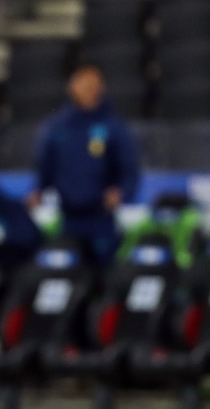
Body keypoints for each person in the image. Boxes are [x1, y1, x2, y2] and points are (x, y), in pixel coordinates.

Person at [28, 63, 140, 267]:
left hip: (101, 217)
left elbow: (129, 169)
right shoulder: (57, 127)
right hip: (69, 216)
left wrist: (121, 192)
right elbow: (45, 166)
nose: (88, 89)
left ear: (101, 88)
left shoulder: (114, 127)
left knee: (104, 271)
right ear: (72, 87)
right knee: (68, 271)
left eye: (93, 84)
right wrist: (38, 190)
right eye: (83, 84)